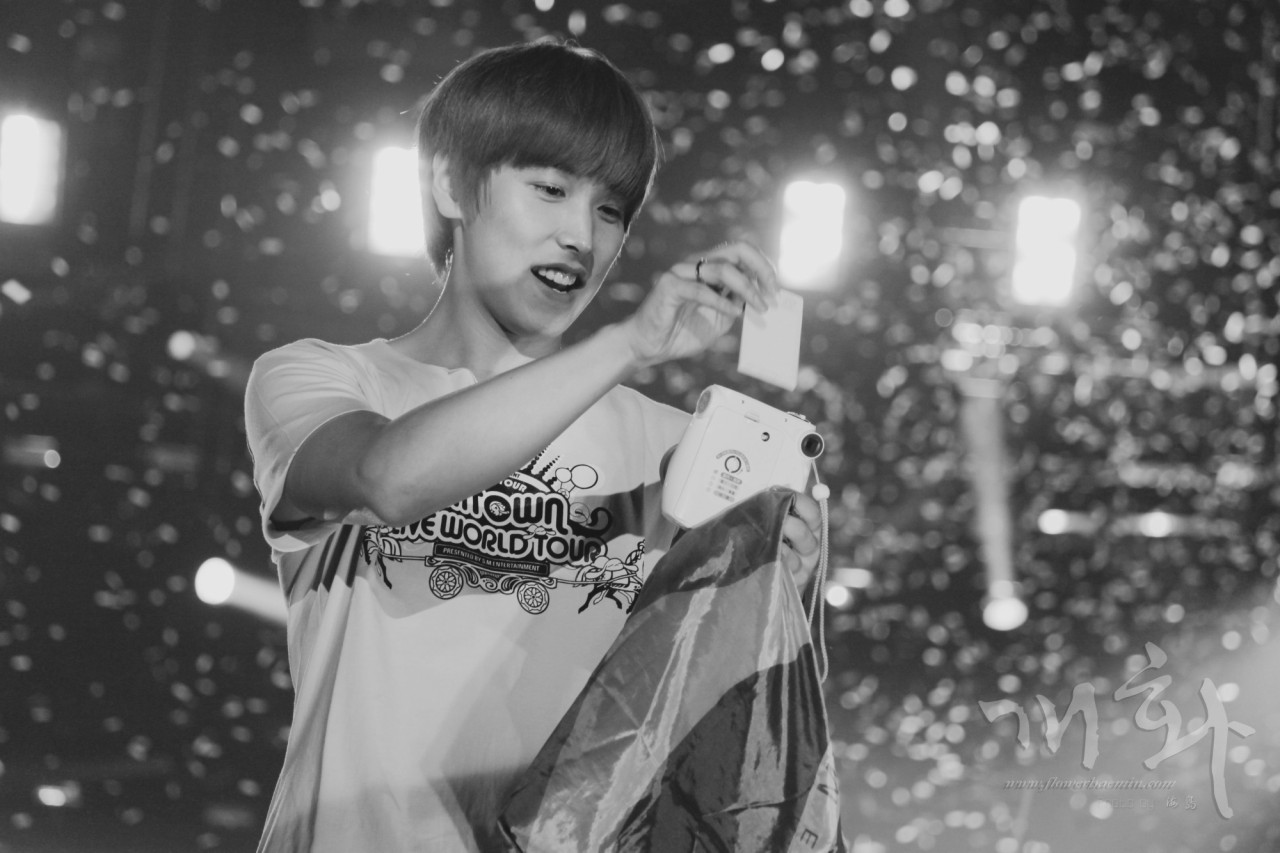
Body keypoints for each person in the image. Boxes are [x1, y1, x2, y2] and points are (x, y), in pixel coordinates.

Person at [244, 41, 822, 852]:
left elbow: (717, 733)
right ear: (449, 184)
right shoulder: (322, 378)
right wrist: (630, 342)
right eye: (550, 188)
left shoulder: (677, 448)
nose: (580, 235)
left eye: (610, 210)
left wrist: (778, 581)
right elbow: (387, 478)